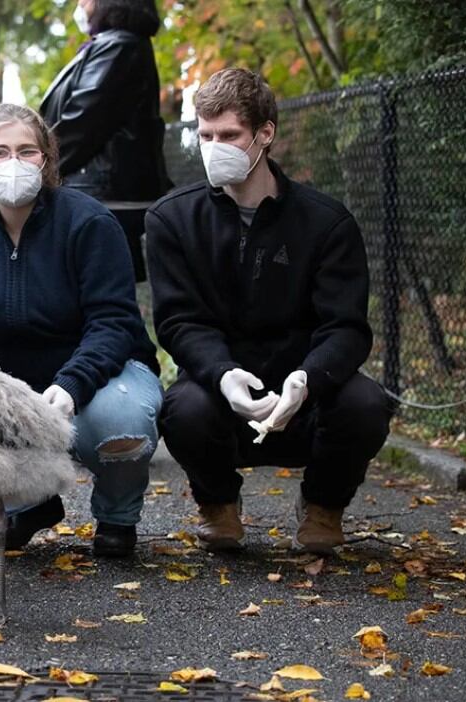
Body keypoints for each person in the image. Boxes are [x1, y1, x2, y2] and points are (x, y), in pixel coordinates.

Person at [145, 68, 393, 556]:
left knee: (366, 404)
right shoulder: (172, 219)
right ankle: (217, 505)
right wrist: (220, 374)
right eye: (206, 134)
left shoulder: (327, 223)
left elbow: (345, 326)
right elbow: (178, 320)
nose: (214, 146)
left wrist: (308, 380)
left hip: (305, 392)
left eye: (229, 135)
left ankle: (324, 506)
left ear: (265, 134)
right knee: (182, 409)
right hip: (223, 394)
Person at [0, 103, 162, 558]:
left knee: (119, 421)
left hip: (101, 370)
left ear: (47, 160)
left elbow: (114, 323)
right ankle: (27, 504)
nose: (13, 162)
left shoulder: (90, 223)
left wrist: (72, 383)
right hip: (12, 383)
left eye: (27, 151)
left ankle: (117, 516)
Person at [39, 0, 171, 282]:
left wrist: (37, 166)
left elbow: (81, 123)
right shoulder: (110, 45)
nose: (80, 4)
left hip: (102, 195)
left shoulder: (119, 46)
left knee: (96, 298)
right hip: (96, 192)